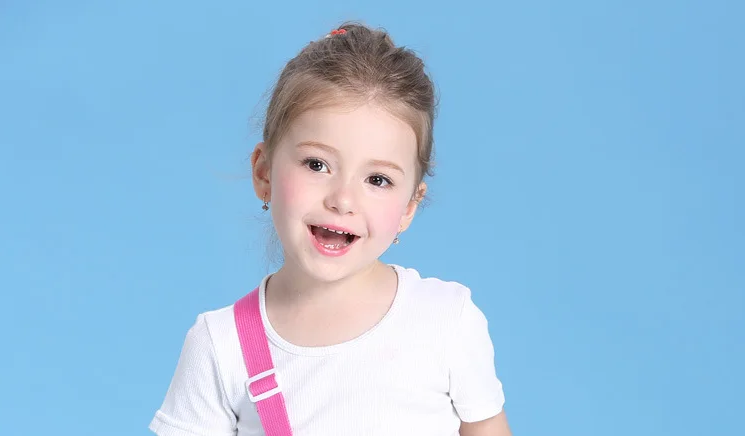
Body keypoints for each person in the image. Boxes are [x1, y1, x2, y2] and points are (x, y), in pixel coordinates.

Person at [149, 22, 512, 436]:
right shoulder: (220, 346)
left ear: (410, 206)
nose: (343, 199)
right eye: (317, 164)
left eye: (377, 179)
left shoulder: (446, 319)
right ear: (264, 173)